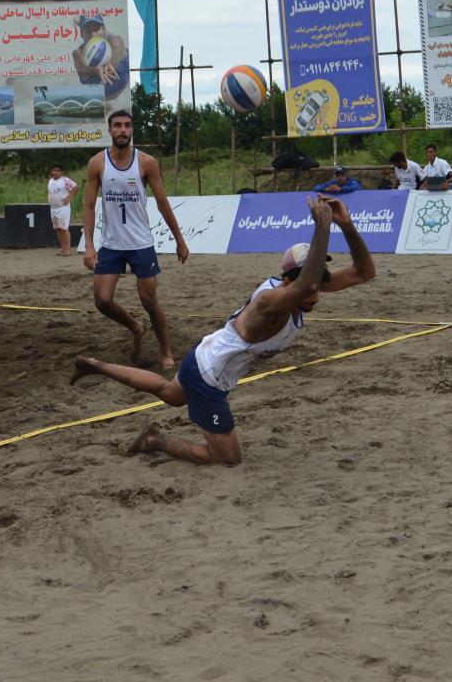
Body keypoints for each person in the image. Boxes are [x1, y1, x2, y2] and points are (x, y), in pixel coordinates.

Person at [72, 196, 373, 466]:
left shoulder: (302, 288)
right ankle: (154, 441)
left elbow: (364, 272)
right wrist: (322, 228)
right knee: (227, 459)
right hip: (209, 377)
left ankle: (95, 365)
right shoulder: (270, 301)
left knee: (169, 393)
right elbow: (307, 285)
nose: (315, 296)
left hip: (204, 355)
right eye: (311, 287)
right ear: (287, 281)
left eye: (320, 286)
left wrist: (346, 225)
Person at [82, 108, 191, 370]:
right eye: (117, 125)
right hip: (111, 243)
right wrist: (89, 245)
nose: (122, 130)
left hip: (141, 243)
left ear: (132, 130)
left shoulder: (146, 162)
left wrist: (179, 240)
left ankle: (166, 351)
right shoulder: (97, 163)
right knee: (102, 300)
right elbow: (88, 206)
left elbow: (163, 203)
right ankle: (135, 326)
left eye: (127, 126)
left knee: (149, 300)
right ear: (110, 130)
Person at [70, 13, 131, 96]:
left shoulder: (115, 41)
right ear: (81, 34)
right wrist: (95, 69)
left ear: (104, 29)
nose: (93, 35)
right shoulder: (77, 53)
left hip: (124, 89)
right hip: (100, 100)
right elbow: (82, 69)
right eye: (88, 31)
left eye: (96, 29)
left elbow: (117, 45)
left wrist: (110, 64)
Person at [46, 163, 80, 256]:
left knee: (64, 228)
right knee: (57, 229)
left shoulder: (65, 180)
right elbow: (50, 192)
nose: (56, 172)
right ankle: (63, 248)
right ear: (51, 171)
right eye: (54, 170)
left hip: (63, 208)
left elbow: (76, 187)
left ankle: (68, 249)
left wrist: (69, 197)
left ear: (61, 172)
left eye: (58, 170)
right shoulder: (50, 181)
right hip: (53, 208)